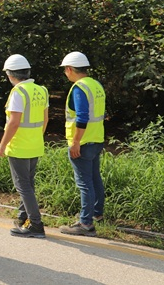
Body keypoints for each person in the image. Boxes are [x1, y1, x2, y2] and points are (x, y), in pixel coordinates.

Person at [0, 54, 49, 238]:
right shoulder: (41, 90)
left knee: (23, 186)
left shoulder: (18, 92)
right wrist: (35, 137)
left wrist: (3, 144)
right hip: (35, 144)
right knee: (28, 185)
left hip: (19, 146)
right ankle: (23, 218)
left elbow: (14, 122)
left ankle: (36, 224)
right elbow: (45, 119)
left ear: (10, 75)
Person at [58, 51, 106, 237]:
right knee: (95, 179)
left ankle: (85, 223)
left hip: (83, 143)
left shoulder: (79, 88)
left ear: (70, 69)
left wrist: (75, 142)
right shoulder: (96, 85)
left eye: (65, 70)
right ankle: (97, 214)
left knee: (85, 183)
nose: (65, 73)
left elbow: (82, 117)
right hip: (97, 139)